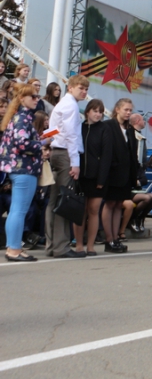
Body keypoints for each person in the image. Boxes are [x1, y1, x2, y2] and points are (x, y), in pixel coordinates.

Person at [0, 84, 51, 261]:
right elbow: (22, 144)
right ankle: (13, 249)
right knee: (18, 211)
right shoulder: (22, 118)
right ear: (23, 99)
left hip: (19, 168)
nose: (37, 99)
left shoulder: (18, 117)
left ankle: (13, 247)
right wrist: (43, 143)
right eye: (34, 97)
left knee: (17, 210)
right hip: (23, 168)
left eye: (37, 97)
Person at [46, 75, 89, 258]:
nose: (84, 91)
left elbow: (53, 130)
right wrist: (75, 163)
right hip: (65, 154)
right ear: (70, 87)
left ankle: (51, 246)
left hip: (57, 151)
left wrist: (47, 141)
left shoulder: (61, 104)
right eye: (81, 88)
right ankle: (61, 247)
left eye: (86, 89)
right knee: (65, 200)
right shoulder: (70, 105)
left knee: (54, 201)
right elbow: (71, 135)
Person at [99, 99, 138, 253]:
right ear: (117, 109)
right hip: (112, 173)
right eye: (126, 110)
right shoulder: (108, 126)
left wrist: (134, 175)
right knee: (109, 204)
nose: (128, 113)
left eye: (130, 110)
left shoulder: (130, 129)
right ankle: (109, 239)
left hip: (125, 174)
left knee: (118, 205)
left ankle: (115, 238)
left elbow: (132, 153)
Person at [76, 99, 107, 256]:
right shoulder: (79, 128)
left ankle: (91, 245)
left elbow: (106, 156)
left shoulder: (104, 129)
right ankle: (79, 244)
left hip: (96, 177)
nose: (98, 114)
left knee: (93, 210)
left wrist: (102, 179)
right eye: (95, 111)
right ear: (87, 112)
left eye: (100, 111)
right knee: (80, 211)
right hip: (79, 175)